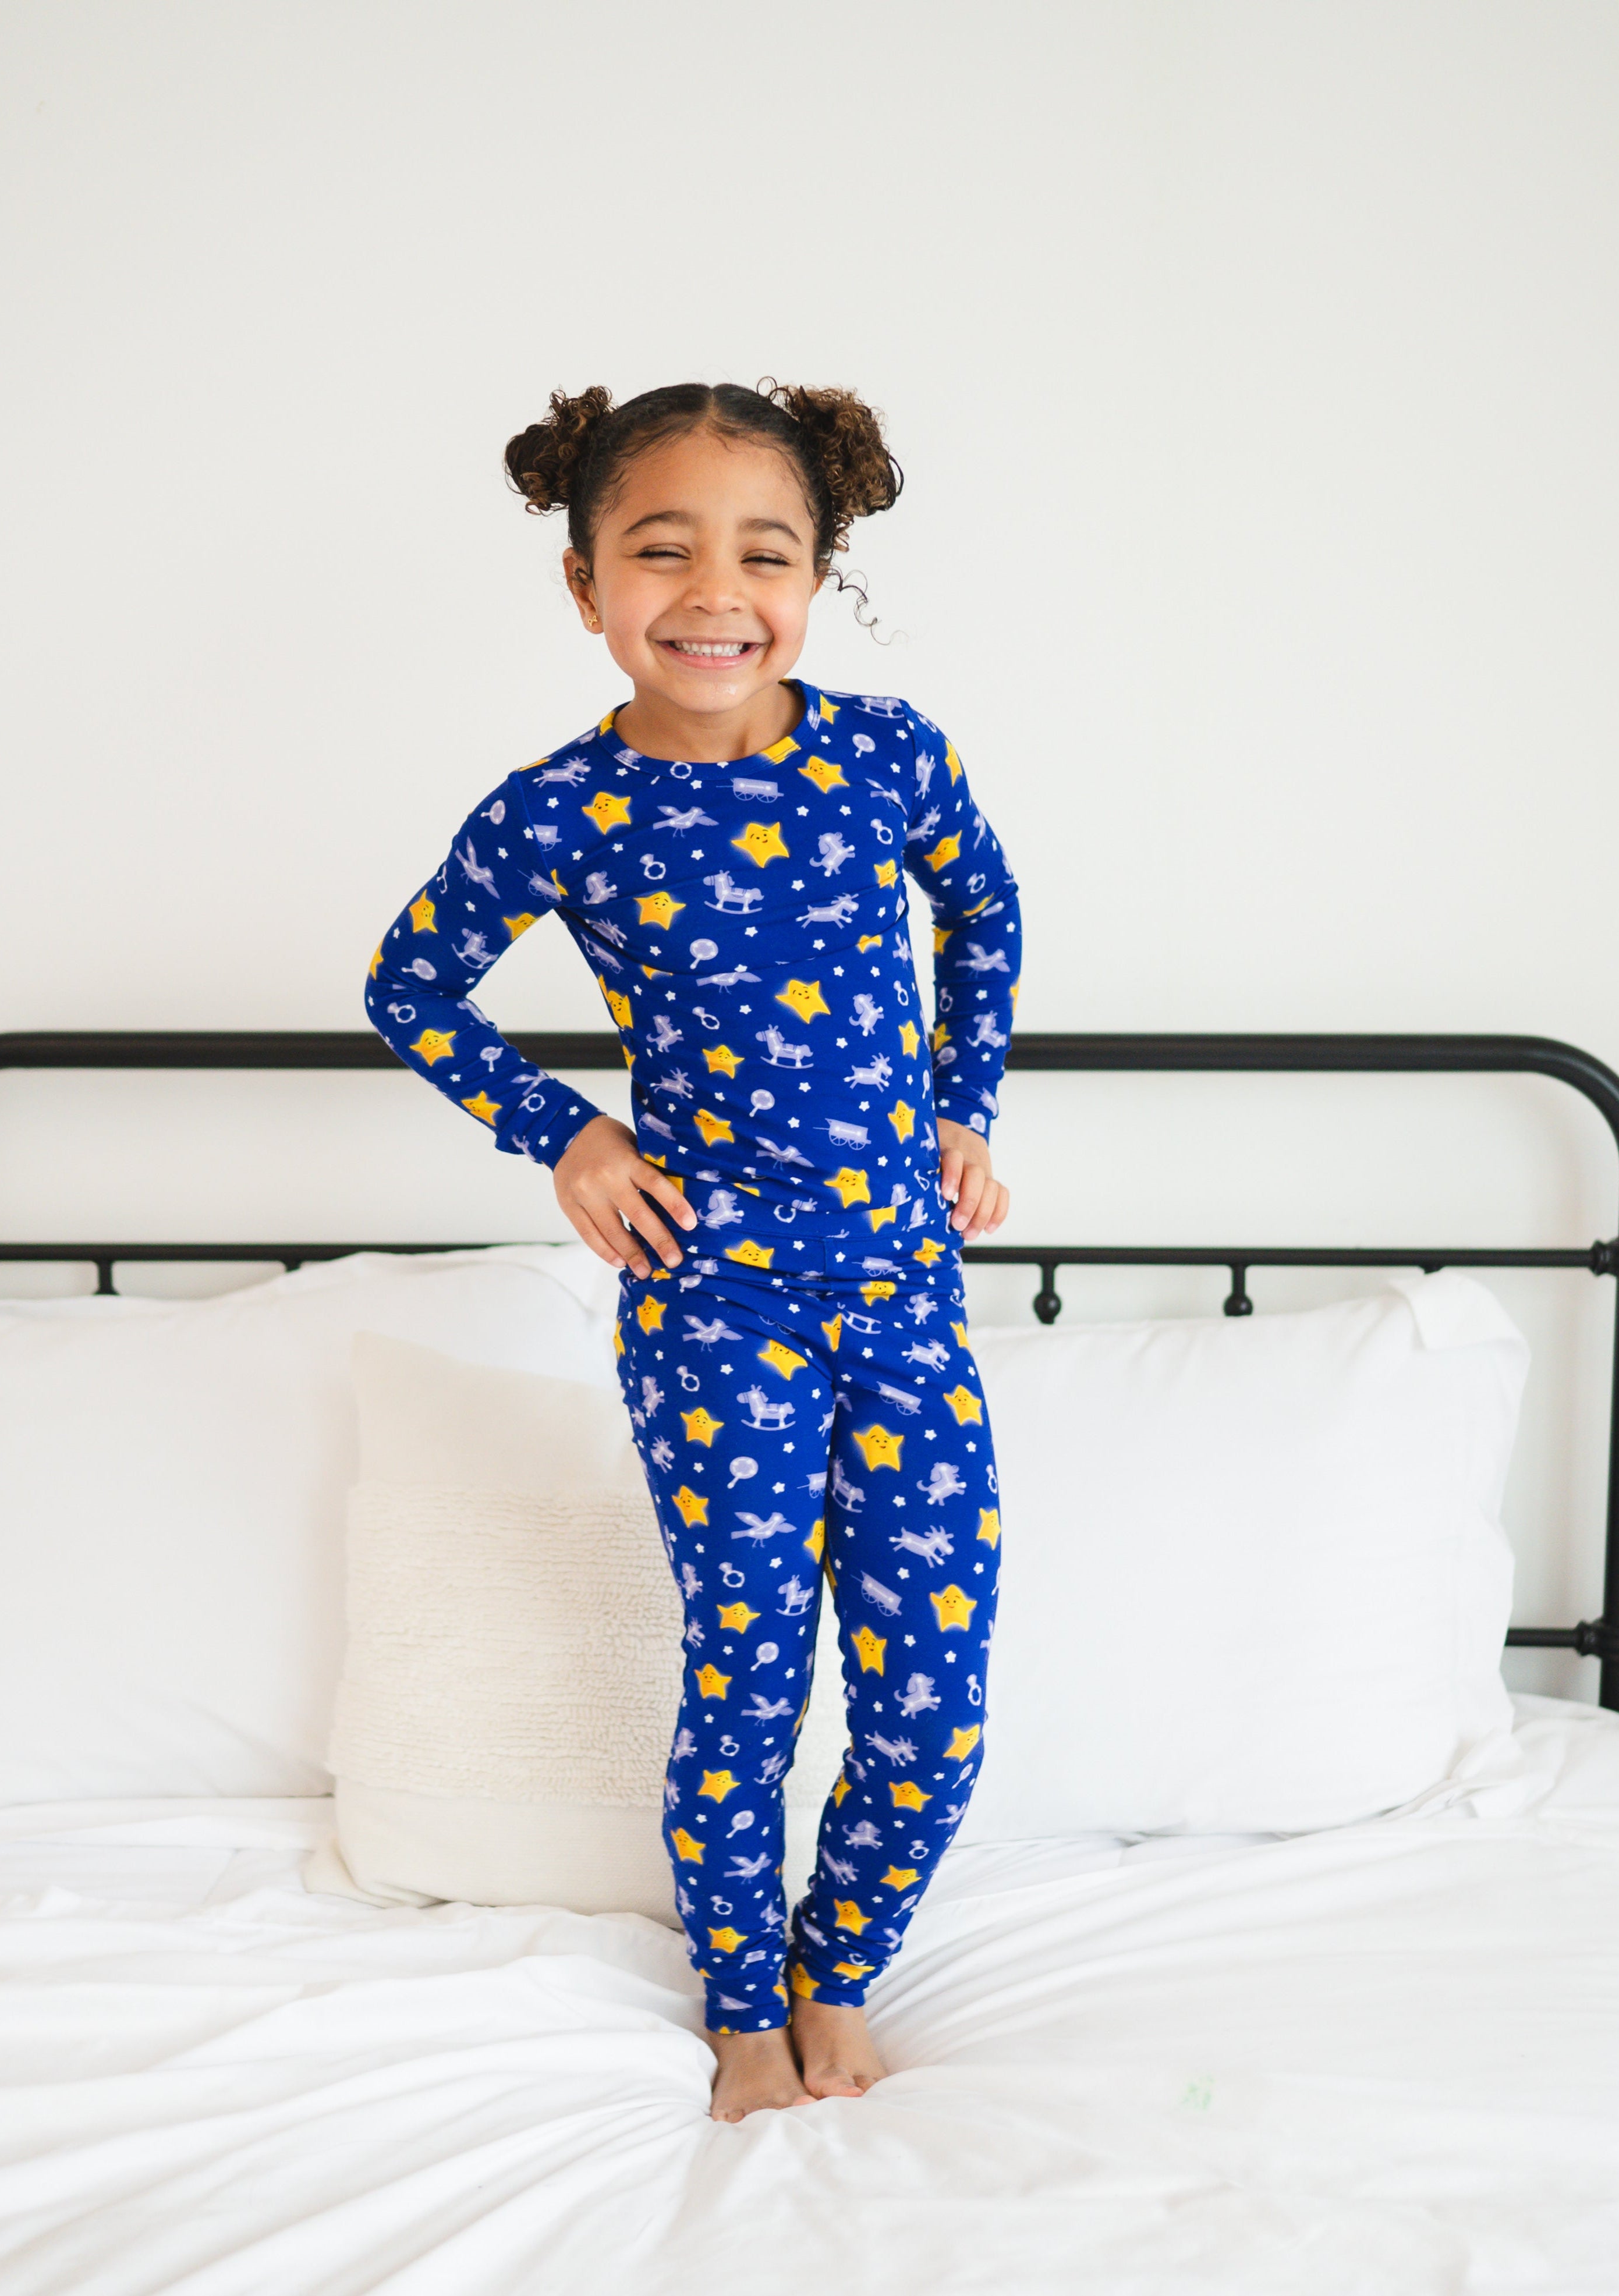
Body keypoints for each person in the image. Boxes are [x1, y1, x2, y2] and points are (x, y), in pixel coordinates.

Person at [363, 379, 1021, 2121]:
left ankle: (840, 1964)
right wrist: (564, 1133)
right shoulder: (565, 805)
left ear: (816, 577)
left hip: (898, 1294)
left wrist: (967, 1104)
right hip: (709, 1302)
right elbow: (408, 981)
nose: (713, 589)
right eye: (660, 550)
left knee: (929, 1694)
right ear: (586, 584)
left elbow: (985, 905)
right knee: (749, 1661)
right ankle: (743, 1997)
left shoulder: (887, 755)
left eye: (764, 551)